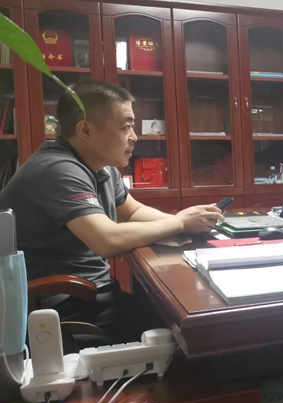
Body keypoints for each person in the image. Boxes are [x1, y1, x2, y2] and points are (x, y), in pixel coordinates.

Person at [0, 80, 223, 342]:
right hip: (62, 306)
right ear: (85, 130)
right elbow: (107, 240)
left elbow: (132, 211)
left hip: (91, 293)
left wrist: (191, 221)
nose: (134, 136)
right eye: (126, 126)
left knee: (181, 314)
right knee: (193, 329)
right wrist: (181, 223)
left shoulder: (101, 166)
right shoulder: (59, 169)